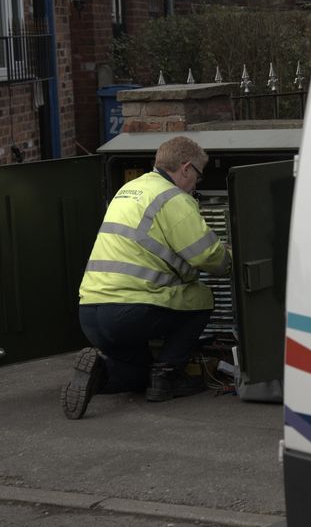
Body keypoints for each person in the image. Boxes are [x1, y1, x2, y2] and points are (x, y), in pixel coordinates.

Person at [62, 136, 231, 420]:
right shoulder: (173, 198)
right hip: (130, 311)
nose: (196, 185)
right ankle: (167, 378)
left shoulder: (130, 188)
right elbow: (207, 256)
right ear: (186, 168)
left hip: (91, 312)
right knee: (201, 297)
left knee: (137, 375)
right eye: (198, 177)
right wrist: (231, 259)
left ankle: (99, 375)